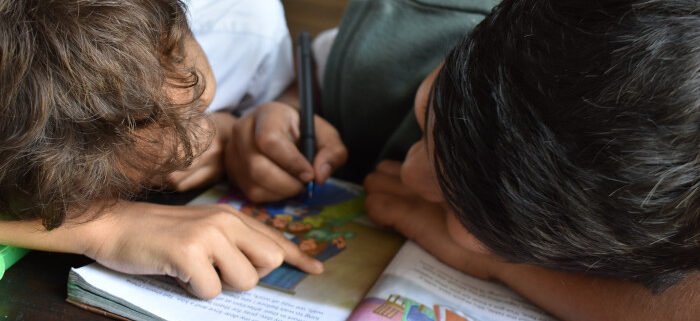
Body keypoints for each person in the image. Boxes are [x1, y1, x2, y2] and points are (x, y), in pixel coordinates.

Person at [234, 0, 700, 319]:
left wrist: (500, 267)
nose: (412, 175)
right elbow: (312, 69)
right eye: (426, 112)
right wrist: (286, 108)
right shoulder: (398, 33)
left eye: (464, 216)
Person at [0, 0, 349, 300]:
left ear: (177, 33)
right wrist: (105, 227)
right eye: (116, 181)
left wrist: (259, 117)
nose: (197, 143)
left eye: (199, 108)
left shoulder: (245, 24)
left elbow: (290, 85)